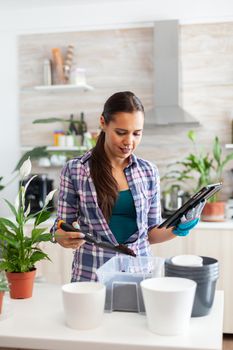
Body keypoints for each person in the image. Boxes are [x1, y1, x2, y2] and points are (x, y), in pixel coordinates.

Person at [51, 91, 204, 282]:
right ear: (103, 123)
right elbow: (61, 225)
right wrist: (60, 236)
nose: (129, 142)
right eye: (121, 133)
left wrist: (178, 228)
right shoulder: (76, 170)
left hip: (139, 273)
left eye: (137, 133)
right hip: (91, 274)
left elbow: (150, 234)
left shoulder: (148, 171)